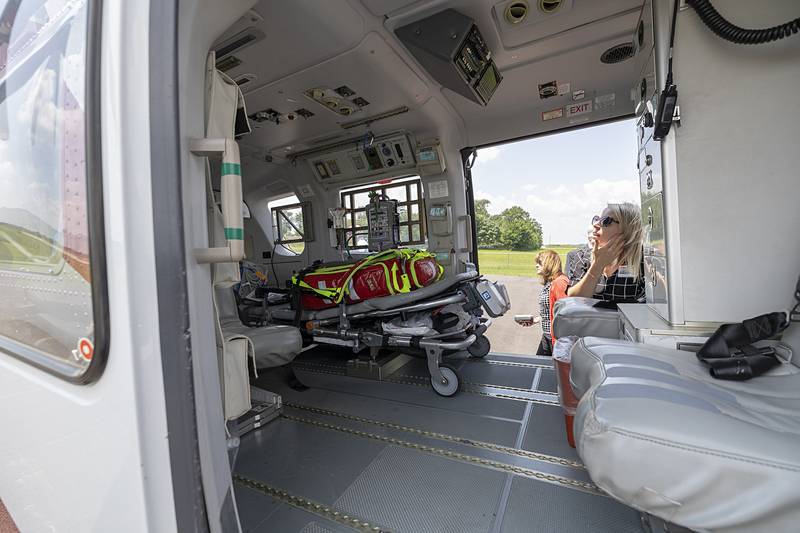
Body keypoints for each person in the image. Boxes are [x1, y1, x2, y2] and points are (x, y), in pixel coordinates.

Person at [567, 202, 645, 303]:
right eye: (597, 219)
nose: (595, 225)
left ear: (628, 228)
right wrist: (598, 265)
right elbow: (575, 299)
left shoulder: (644, 261)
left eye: (606, 221)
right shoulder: (583, 256)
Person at [519, 249, 569, 356]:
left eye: (540, 263)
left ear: (549, 263)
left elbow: (565, 314)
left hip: (557, 340)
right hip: (547, 336)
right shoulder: (550, 282)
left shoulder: (560, 282)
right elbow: (551, 310)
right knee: (540, 367)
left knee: (551, 370)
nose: (536, 265)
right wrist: (536, 320)